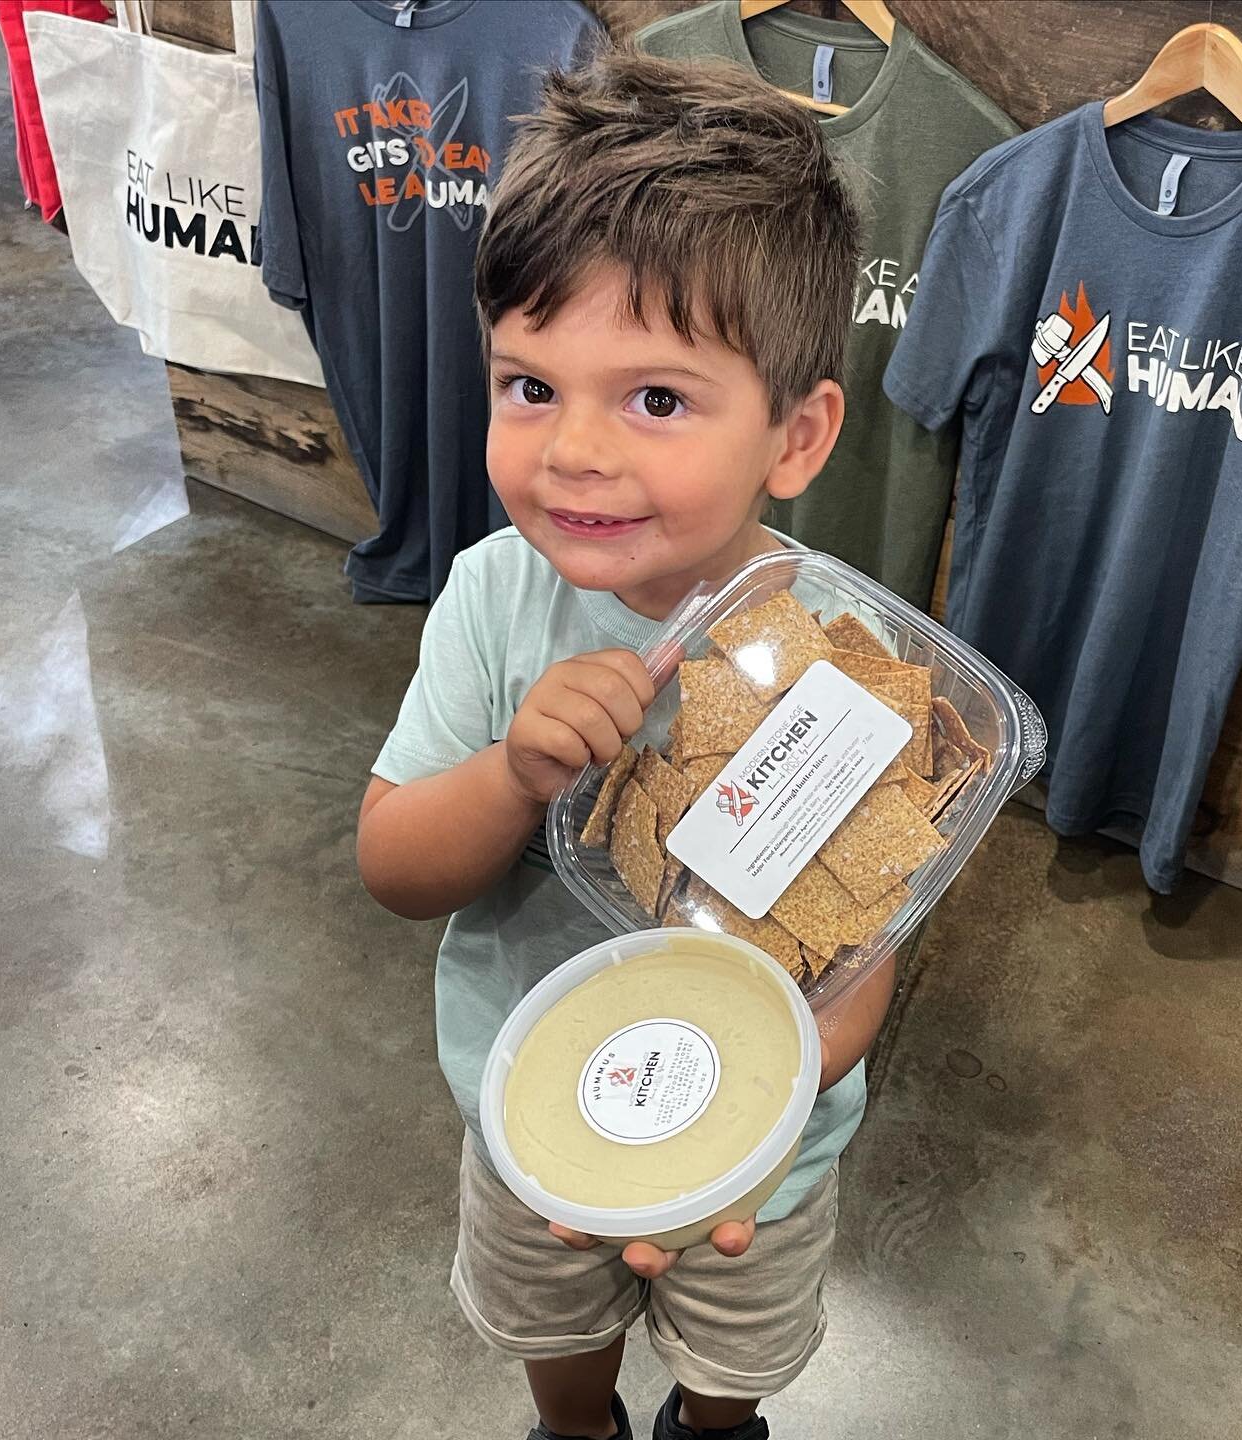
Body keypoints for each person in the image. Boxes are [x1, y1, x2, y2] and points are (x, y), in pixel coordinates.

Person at [357, 46, 884, 1440]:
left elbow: (864, 965)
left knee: (733, 1355)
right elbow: (398, 867)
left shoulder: (850, 672)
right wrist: (513, 773)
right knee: (552, 1330)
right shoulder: (490, 596)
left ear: (796, 431)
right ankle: (579, 1425)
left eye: (654, 399)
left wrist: (727, 1137)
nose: (573, 450)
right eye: (530, 387)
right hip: (528, 1120)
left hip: (757, 1149)